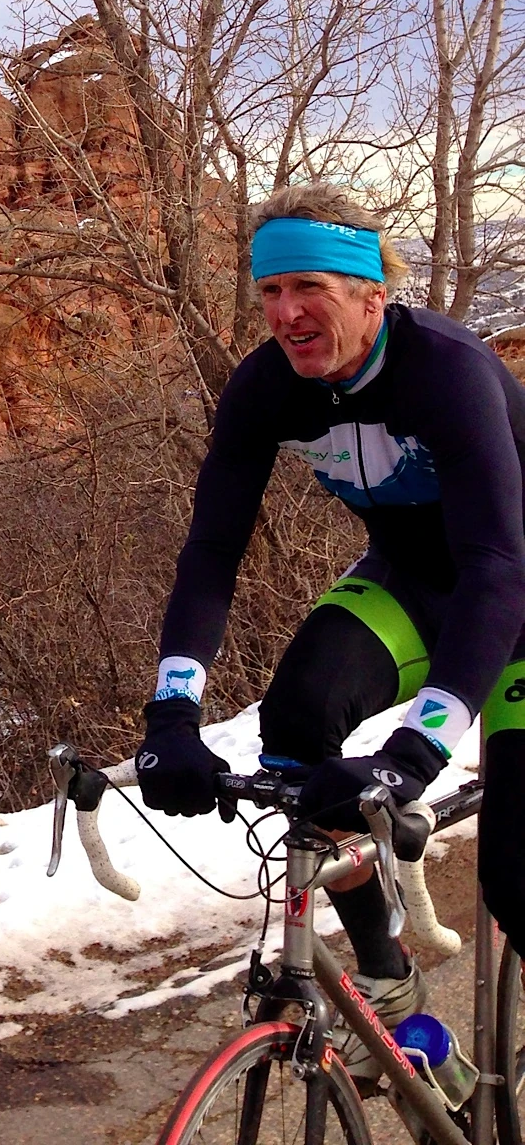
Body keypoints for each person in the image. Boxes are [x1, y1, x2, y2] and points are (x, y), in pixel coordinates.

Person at [135, 184, 525, 1070]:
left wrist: (421, 747)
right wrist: (172, 713)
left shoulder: (446, 372)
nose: (286, 312)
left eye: (308, 287)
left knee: (515, 877)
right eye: (269, 292)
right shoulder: (269, 385)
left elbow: (501, 569)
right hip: (412, 582)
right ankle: (391, 991)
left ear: (371, 296)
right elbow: (210, 552)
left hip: (515, 594)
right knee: (300, 721)